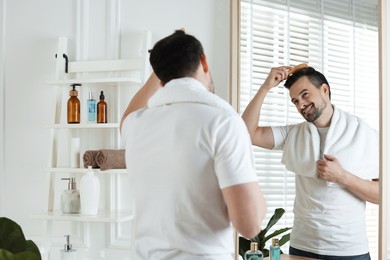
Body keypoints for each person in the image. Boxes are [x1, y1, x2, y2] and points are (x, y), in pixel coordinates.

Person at [120, 30, 266, 260]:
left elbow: (128, 115)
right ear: (204, 62)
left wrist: (162, 67)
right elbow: (249, 225)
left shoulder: (137, 125)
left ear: (159, 79)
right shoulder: (223, 122)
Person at [241, 66, 379, 259]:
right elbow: (246, 133)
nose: (301, 105)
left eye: (305, 95)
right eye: (295, 101)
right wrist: (265, 88)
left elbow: (382, 195)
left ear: (325, 90)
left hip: (348, 249)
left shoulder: (365, 134)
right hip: (302, 246)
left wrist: (342, 177)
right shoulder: (293, 134)